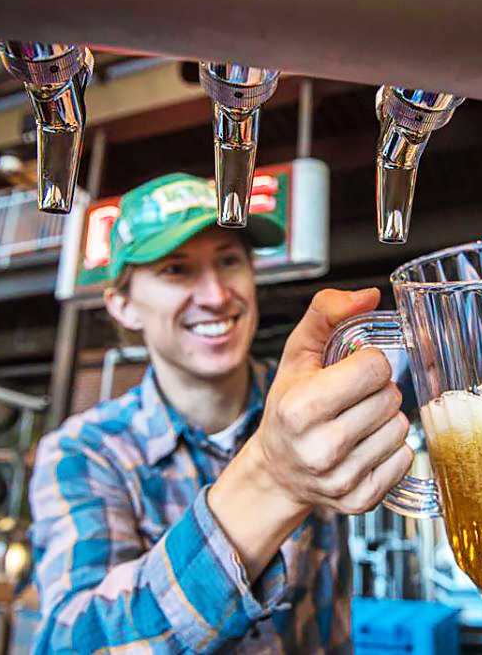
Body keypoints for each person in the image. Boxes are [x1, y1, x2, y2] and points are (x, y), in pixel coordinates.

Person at [29, 173, 413, 653]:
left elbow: (428, 364)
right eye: (176, 269)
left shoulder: (313, 397)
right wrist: (272, 477)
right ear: (123, 306)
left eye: (229, 261)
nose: (214, 295)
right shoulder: (85, 451)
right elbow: (74, 643)